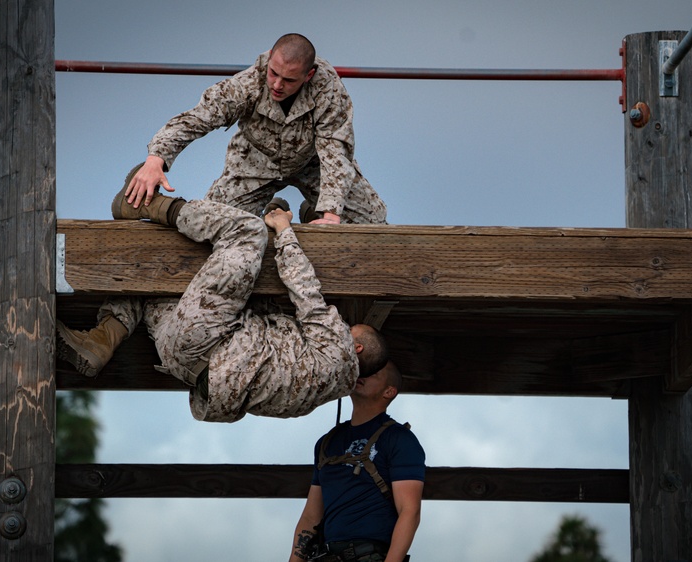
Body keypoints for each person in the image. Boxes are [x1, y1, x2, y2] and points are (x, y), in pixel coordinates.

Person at [56, 201, 389, 422]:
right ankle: (104, 338)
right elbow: (268, 332)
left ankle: (150, 203)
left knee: (248, 232)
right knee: (157, 283)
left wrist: (283, 229)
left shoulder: (338, 348)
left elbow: (305, 290)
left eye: (350, 329)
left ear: (355, 347)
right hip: (184, 362)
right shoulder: (313, 397)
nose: (343, 325)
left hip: (206, 341)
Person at [122, 32, 387, 226]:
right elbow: (199, 117)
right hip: (255, 162)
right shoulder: (249, 83)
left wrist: (330, 214)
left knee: (371, 222)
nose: (277, 85)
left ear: (308, 76)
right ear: (270, 59)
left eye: (289, 79)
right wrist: (157, 159)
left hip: (313, 163)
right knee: (214, 225)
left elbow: (335, 149)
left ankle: (312, 210)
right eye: (274, 73)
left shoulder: (328, 90)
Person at [289, 361, 425, 562]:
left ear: (389, 391)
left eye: (373, 373)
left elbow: (409, 511)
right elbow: (311, 515)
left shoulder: (399, 439)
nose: (362, 374)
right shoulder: (327, 442)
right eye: (362, 370)